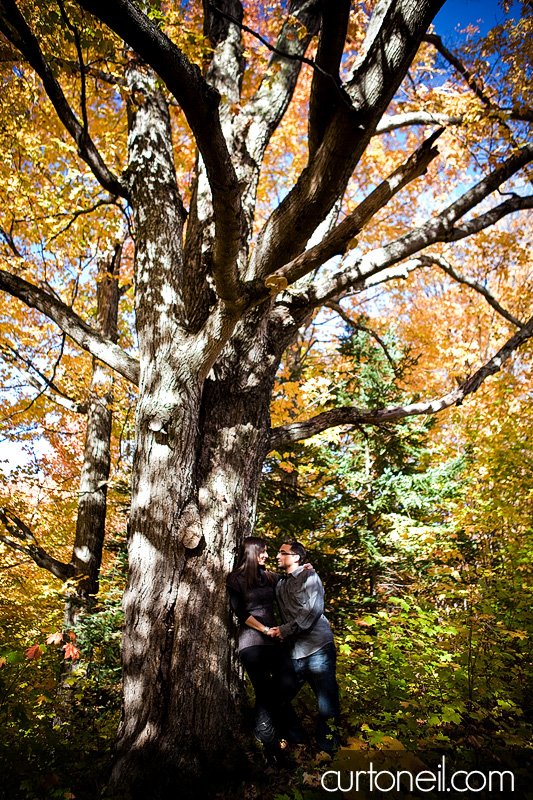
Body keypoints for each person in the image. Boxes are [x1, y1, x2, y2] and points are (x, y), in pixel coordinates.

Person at [226, 536, 304, 764]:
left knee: (289, 682)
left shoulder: (270, 577)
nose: (268, 556)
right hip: (251, 642)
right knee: (263, 689)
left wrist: (304, 568)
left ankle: (262, 724)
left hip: (273, 641)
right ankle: (272, 749)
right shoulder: (235, 579)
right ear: (252, 552)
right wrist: (265, 628)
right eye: (264, 552)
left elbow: (292, 579)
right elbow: (239, 612)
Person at [270, 540, 341, 755]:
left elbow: (313, 610)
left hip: (318, 648)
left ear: (296, 557)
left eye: (282, 553)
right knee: (276, 698)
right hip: (295, 653)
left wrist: (285, 630)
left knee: (327, 702)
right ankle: (298, 739)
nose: (277, 556)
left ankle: (327, 750)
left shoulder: (310, 576)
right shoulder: (280, 583)